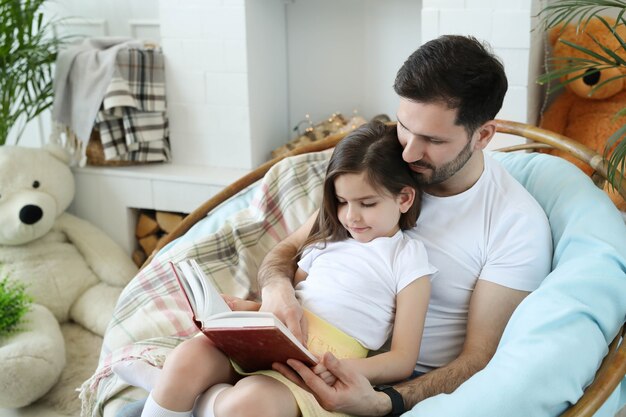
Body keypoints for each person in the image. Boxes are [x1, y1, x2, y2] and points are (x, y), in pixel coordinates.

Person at [260, 35, 553, 416]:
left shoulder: (514, 225)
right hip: (306, 351)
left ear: (483, 135)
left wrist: (385, 401)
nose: (410, 152)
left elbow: (479, 360)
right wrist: (275, 287)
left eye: (432, 139)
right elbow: (289, 249)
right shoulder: (382, 169)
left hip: (398, 386)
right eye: (404, 126)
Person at [113, 120, 437, 417]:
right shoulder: (330, 238)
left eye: (367, 204)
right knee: (189, 356)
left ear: (404, 198)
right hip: (272, 341)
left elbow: (403, 359)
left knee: (249, 403)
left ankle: (178, 392)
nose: (351, 216)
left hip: (315, 371)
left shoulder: (408, 258)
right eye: (341, 201)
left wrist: (347, 369)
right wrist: (248, 310)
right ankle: (177, 383)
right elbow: (298, 303)